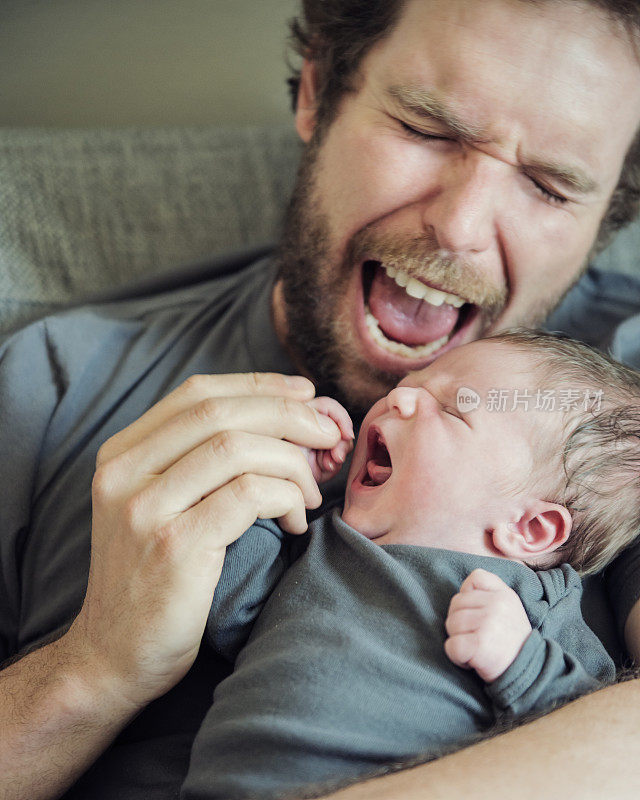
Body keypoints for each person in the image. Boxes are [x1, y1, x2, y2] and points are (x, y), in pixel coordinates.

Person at [1, 1, 640, 798]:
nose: (461, 226)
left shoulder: (616, 421)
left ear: (603, 220)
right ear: (316, 96)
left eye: (549, 186)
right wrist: (90, 665)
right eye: (427, 129)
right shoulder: (52, 384)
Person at [182, 329, 640, 799]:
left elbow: (592, 730)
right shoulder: (322, 536)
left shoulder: (527, 606)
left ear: (530, 529)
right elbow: (230, 616)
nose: (398, 397)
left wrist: (522, 663)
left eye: (452, 409)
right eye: (411, 381)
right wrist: (277, 488)